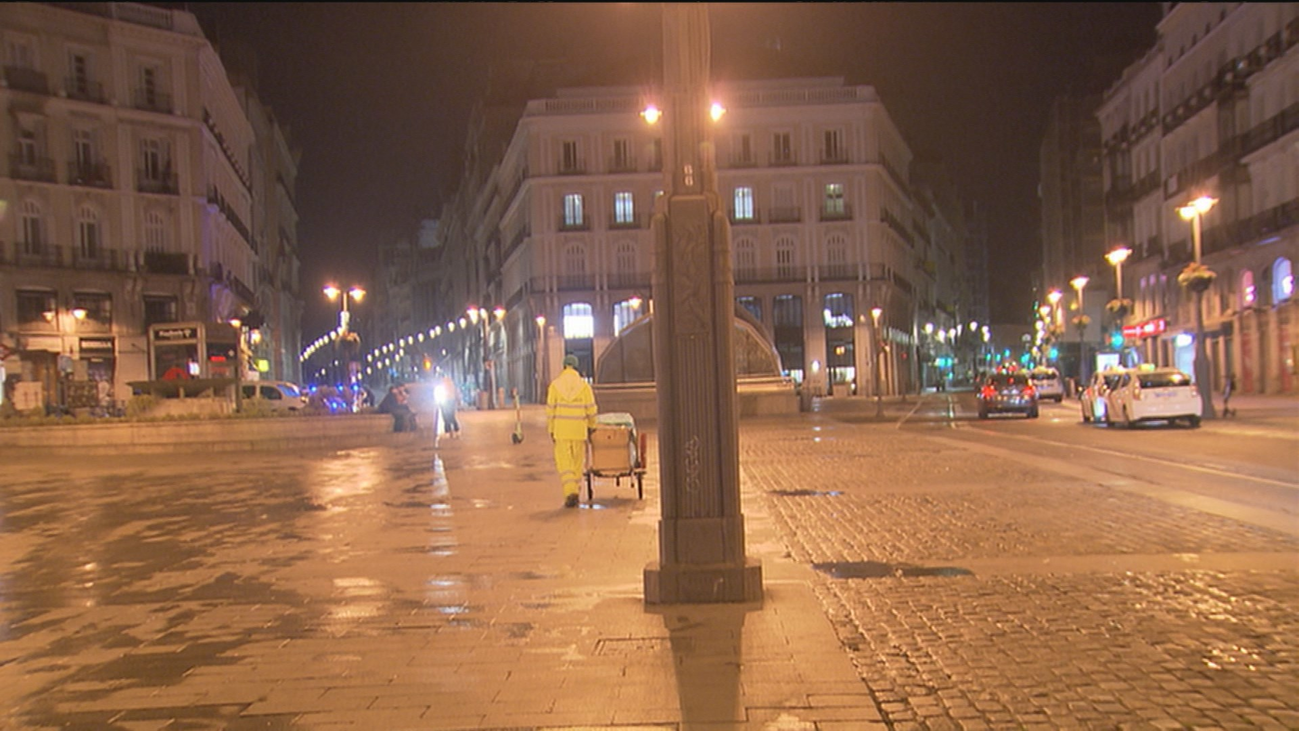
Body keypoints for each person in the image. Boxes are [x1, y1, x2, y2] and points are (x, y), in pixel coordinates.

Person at [546, 354, 598, 508]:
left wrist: (551, 430)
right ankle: (575, 490)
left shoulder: (555, 386)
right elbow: (591, 409)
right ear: (576, 367)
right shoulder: (584, 386)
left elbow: (550, 411)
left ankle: (570, 492)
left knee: (564, 463)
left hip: (561, 431)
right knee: (577, 463)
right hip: (578, 431)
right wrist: (592, 426)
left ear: (563, 367)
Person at [437, 375, 461, 439]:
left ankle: (449, 431)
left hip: (445, 400)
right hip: (451, 400)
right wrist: (458, 400)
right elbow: (456, 392)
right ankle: (456, 430)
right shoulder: (451, 383)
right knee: (451, 416)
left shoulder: (441, 384)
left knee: (446, 416)